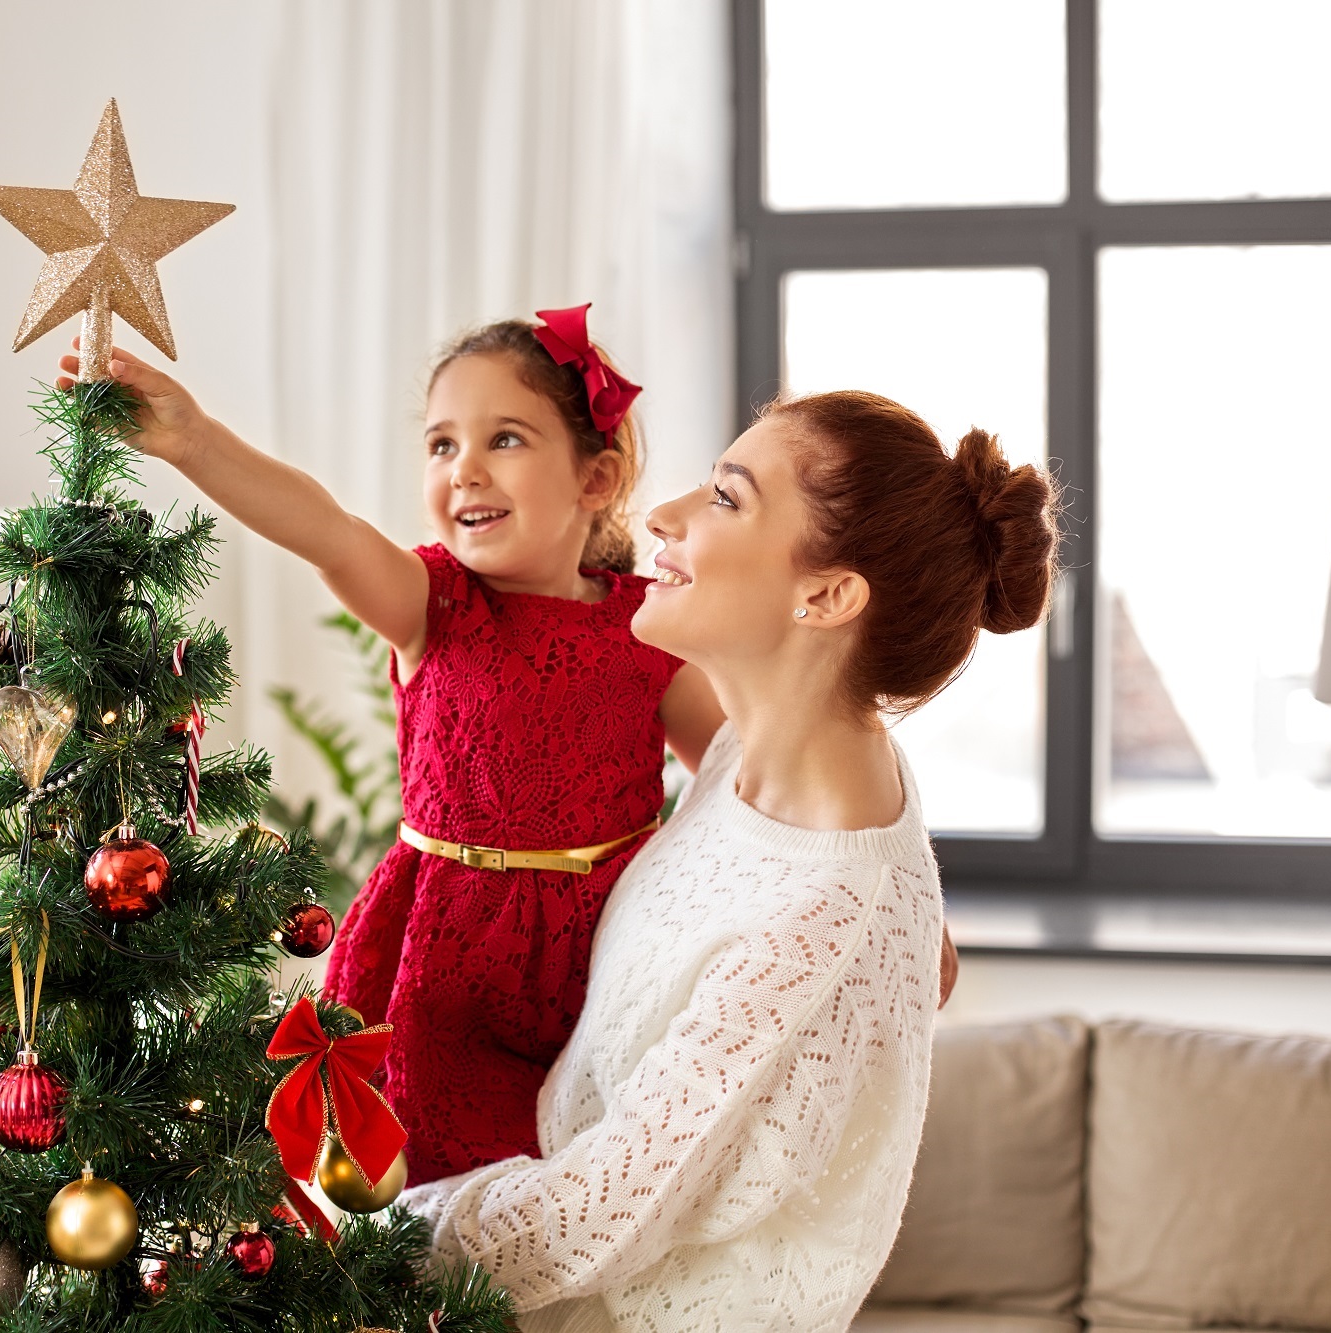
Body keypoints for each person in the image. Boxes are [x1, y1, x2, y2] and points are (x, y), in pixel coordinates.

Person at [399, 390, 1060, 1333]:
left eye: (725, 498)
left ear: (827, 595)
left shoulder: (820, 912)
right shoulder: (759, 751)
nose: (662, 518)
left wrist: (353, 1236)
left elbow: (589, 1214)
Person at [59, 307, 727, 1185]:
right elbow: (325, 530)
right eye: (441, 445)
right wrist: (196, 442)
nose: (466, 471)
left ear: (595, 477)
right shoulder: (432, 602)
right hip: (441, 964)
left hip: (605, 957)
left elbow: (744, 783)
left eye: (508, 439)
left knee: (579, 1185)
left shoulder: (650, 628)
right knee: (429, 1197)